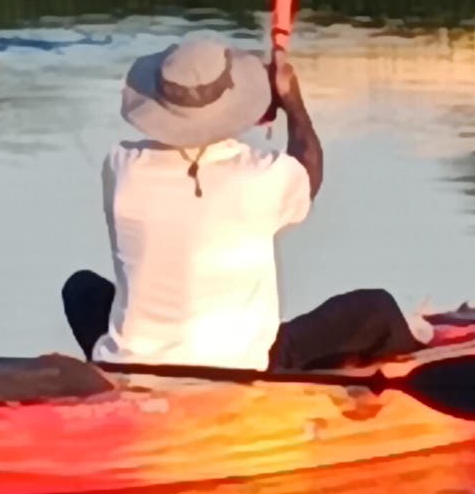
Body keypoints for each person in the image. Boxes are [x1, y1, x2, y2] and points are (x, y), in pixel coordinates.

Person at [62, 32, 426, 374]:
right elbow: (308, 168)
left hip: (130, 363)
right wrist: (290, 101)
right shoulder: (261, 176)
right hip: (239, 366)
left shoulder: (121, 166)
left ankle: (115, 375)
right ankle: (413, 365)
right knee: (375, 308)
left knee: (81, 288)